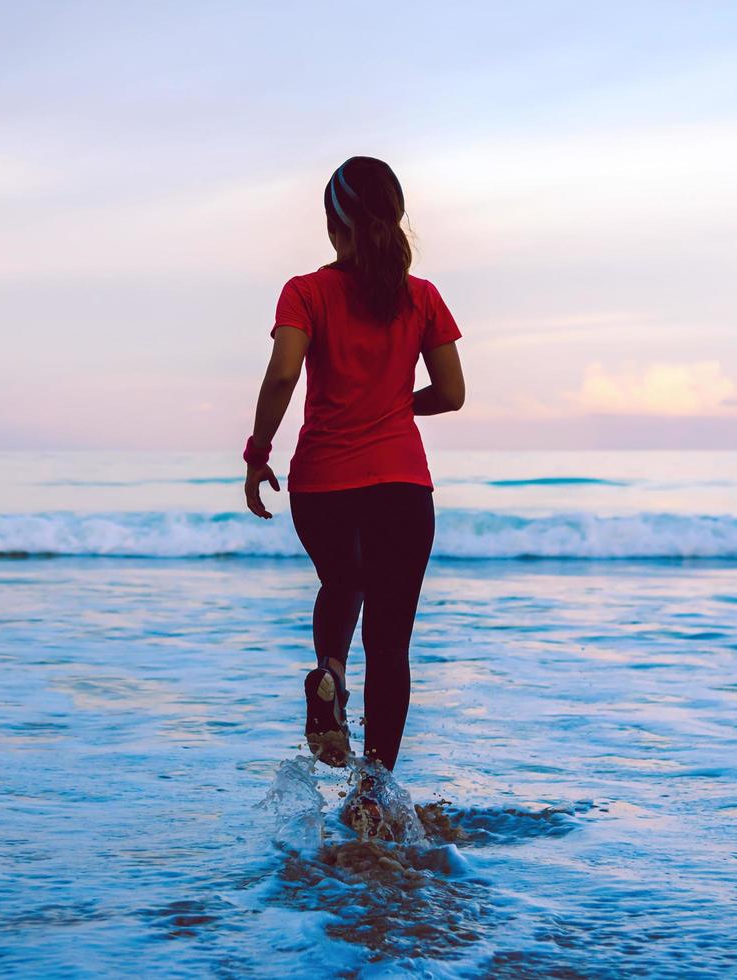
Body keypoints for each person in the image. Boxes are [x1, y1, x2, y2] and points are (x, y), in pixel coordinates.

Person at [242, 155, 465, 779]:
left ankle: (330, 675)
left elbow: (285, 372)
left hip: (322, 484)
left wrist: (257, 454)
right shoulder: (421, 297)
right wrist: (395, 403)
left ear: (331, 222)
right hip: (401, 484)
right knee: (391, 646)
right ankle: (374, 792)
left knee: (343, 584)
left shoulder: (306, 291)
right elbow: (450, 393)